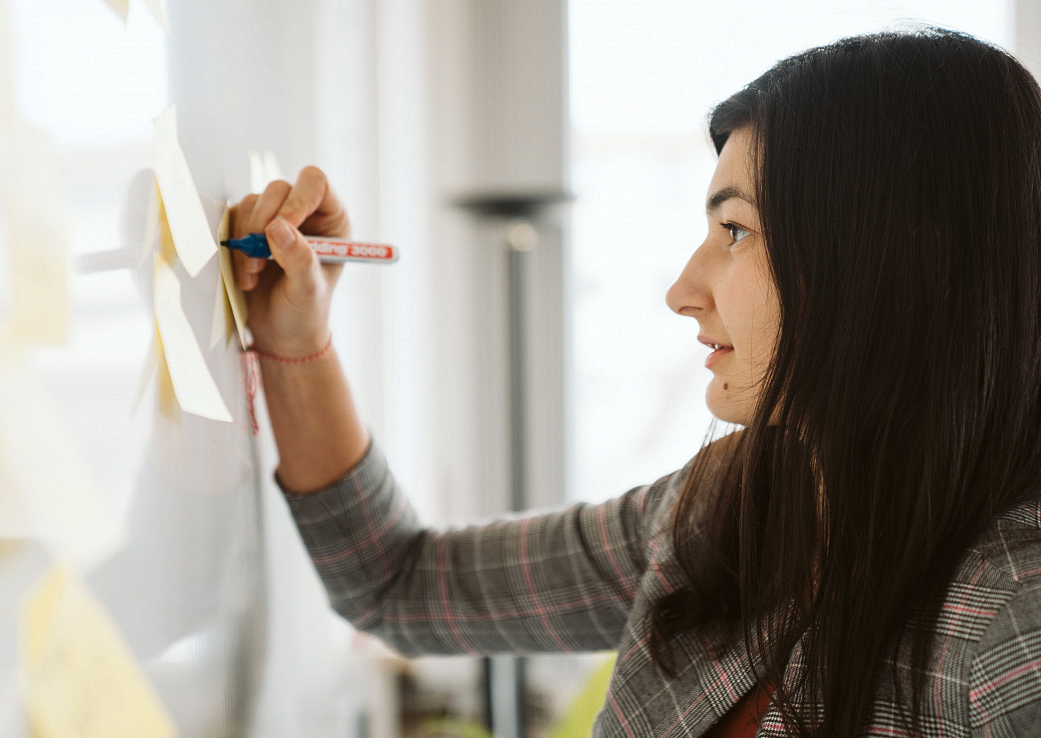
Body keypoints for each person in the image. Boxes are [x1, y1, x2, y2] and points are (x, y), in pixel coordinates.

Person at [229, 28, 1041, 738]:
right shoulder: (727, 506)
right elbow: (398, 585)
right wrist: (295, 338)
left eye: (734, 230)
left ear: (888, 264)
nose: (683, 289)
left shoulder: (1015, 623)